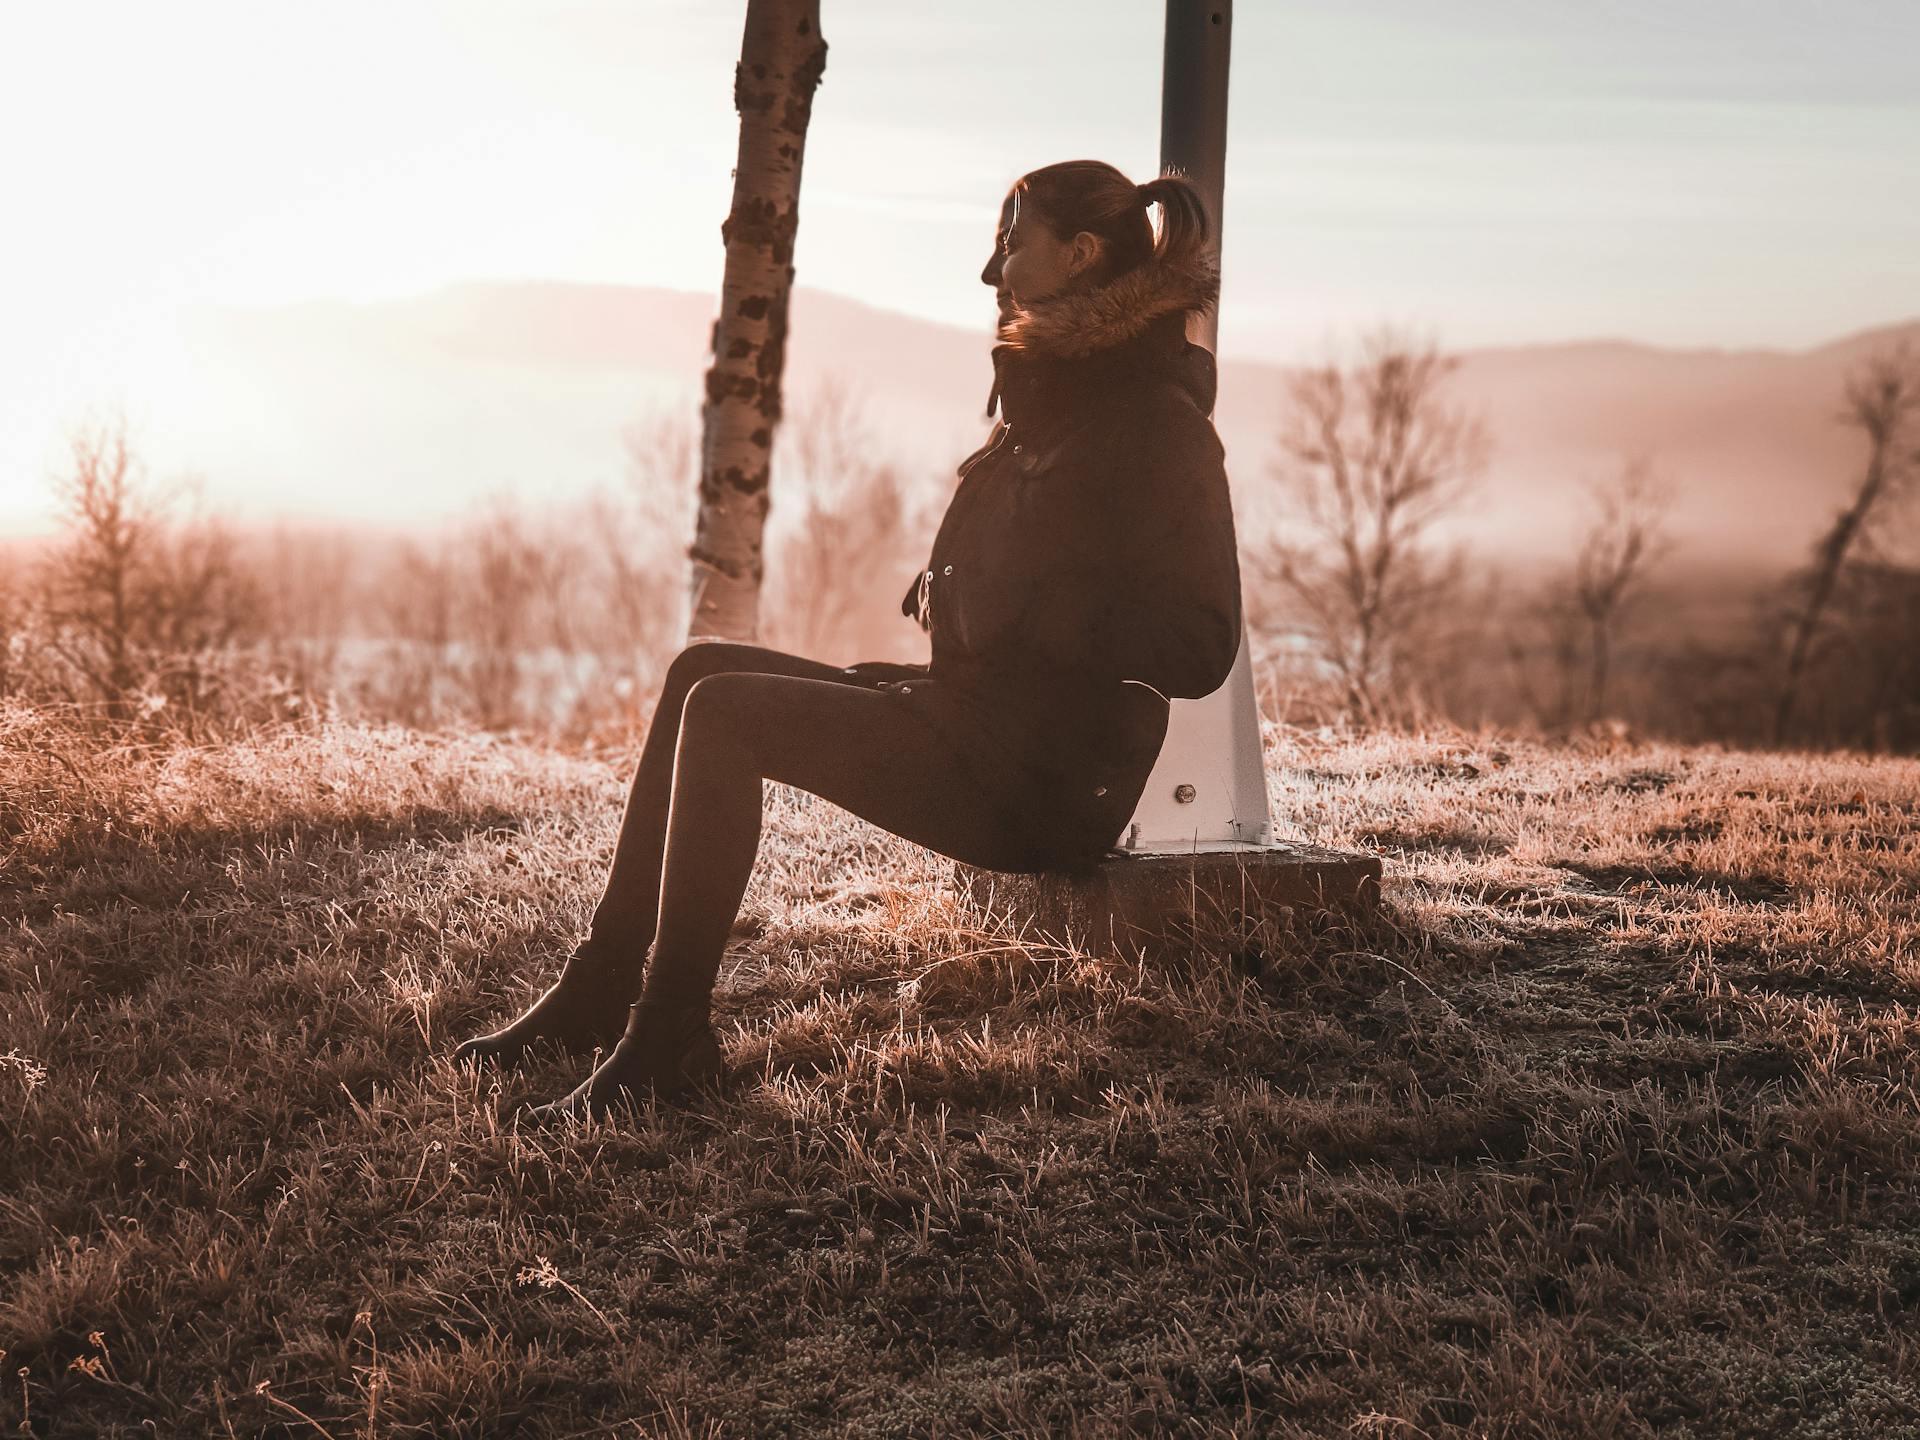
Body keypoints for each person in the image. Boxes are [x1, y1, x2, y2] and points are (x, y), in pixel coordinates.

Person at [454, 159, 1244, 1122]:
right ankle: (599, 988)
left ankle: (669, 1039)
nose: (992, 270)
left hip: (1041, 782)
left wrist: (1034, 609)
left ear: (1078, 255)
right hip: (976, 725)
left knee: (729, 714)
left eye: (1012, 241)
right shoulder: (1054, 398)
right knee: (702, 666)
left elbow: (1201, 643)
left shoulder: (1155, 426)